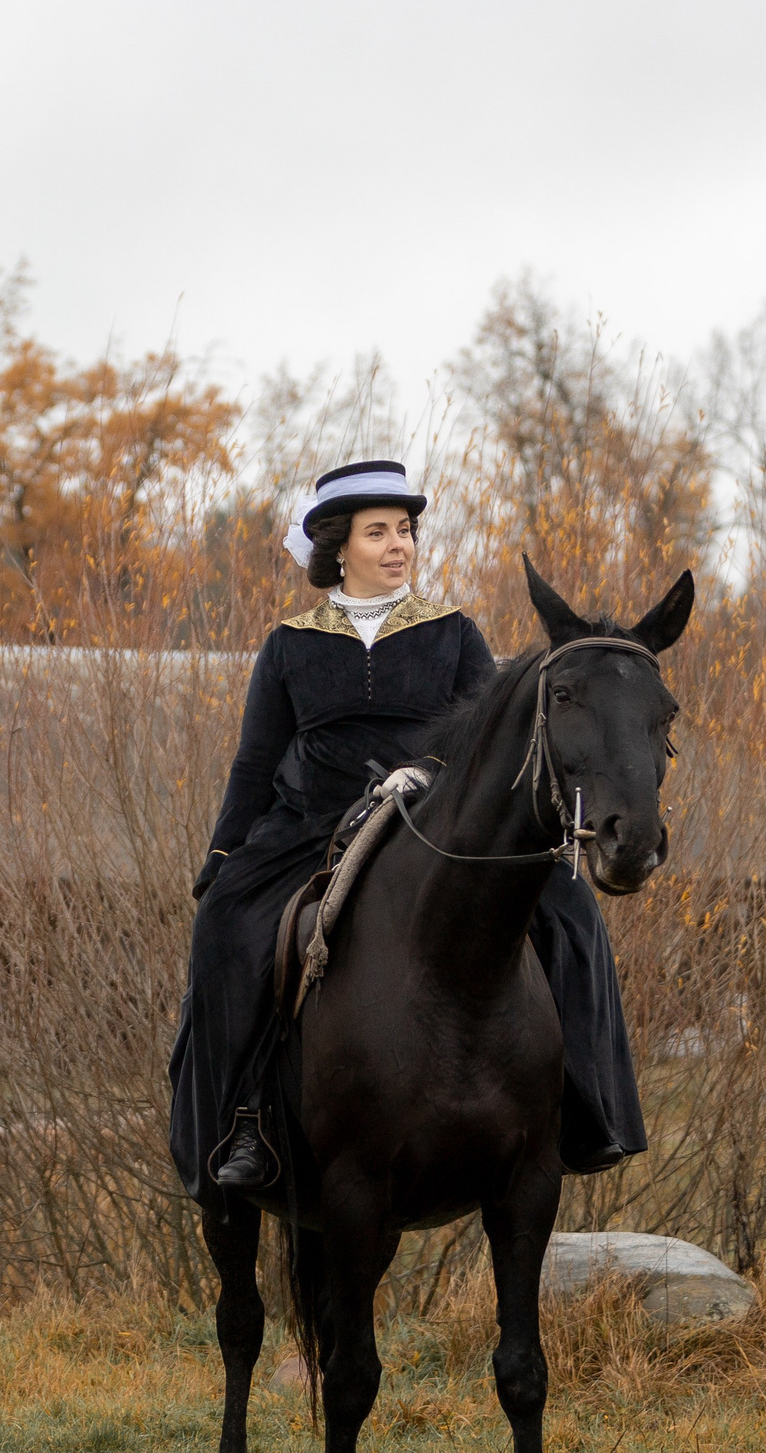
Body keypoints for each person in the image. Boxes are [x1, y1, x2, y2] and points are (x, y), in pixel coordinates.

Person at [169, 459, 646, 1195]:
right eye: (378, 532)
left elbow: (492, 743)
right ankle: (245, 1122)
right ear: (338, 548)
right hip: (308, 826)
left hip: (434, 815)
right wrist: (225, 852)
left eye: (405, 530)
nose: (399, 544)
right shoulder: (289, 643)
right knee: (226, 928)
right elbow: (256, 760)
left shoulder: (454, 633)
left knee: (574, 913)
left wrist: (428, 772)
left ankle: (585, 1106)